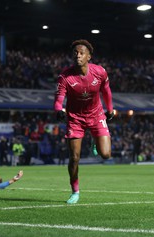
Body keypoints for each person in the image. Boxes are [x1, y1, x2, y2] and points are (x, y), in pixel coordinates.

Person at [53, 39, 115, 204]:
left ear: (89, 56)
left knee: (106, 154)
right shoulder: (65, 77)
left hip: (96, 116)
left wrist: (110, 110)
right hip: (75, 119)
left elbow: (106, 92)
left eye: (81, 53)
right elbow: (59, 99)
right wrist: (59, 110)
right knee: (74, 157)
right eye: (75, 53)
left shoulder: (100, 72)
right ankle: (75, 191)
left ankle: (96, 140)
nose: (78, 56)